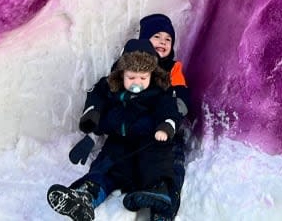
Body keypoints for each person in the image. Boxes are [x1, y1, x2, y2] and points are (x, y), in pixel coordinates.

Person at [46, 39, 182, 221]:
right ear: (121, 74)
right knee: (106, 165)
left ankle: (158, 193)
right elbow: (97, 96)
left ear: (152, 74)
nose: (138, 83)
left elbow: (169, 108)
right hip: (120, 141)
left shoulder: (159, 90)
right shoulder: (111, 87)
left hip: (149, 140)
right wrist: (93, 115)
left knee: (156, 161)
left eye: (143, 78)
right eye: (131, 77)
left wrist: (166, 126)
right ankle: (86, 196)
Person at [138, 13, 194, 218]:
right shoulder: (133, 65)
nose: (163, 42)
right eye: (157, 37)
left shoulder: (173, 68)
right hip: (142, 129)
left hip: (167, 128)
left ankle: (164, 211)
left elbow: (181, 92)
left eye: (168, 39)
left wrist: (176, 111)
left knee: (172, 164)